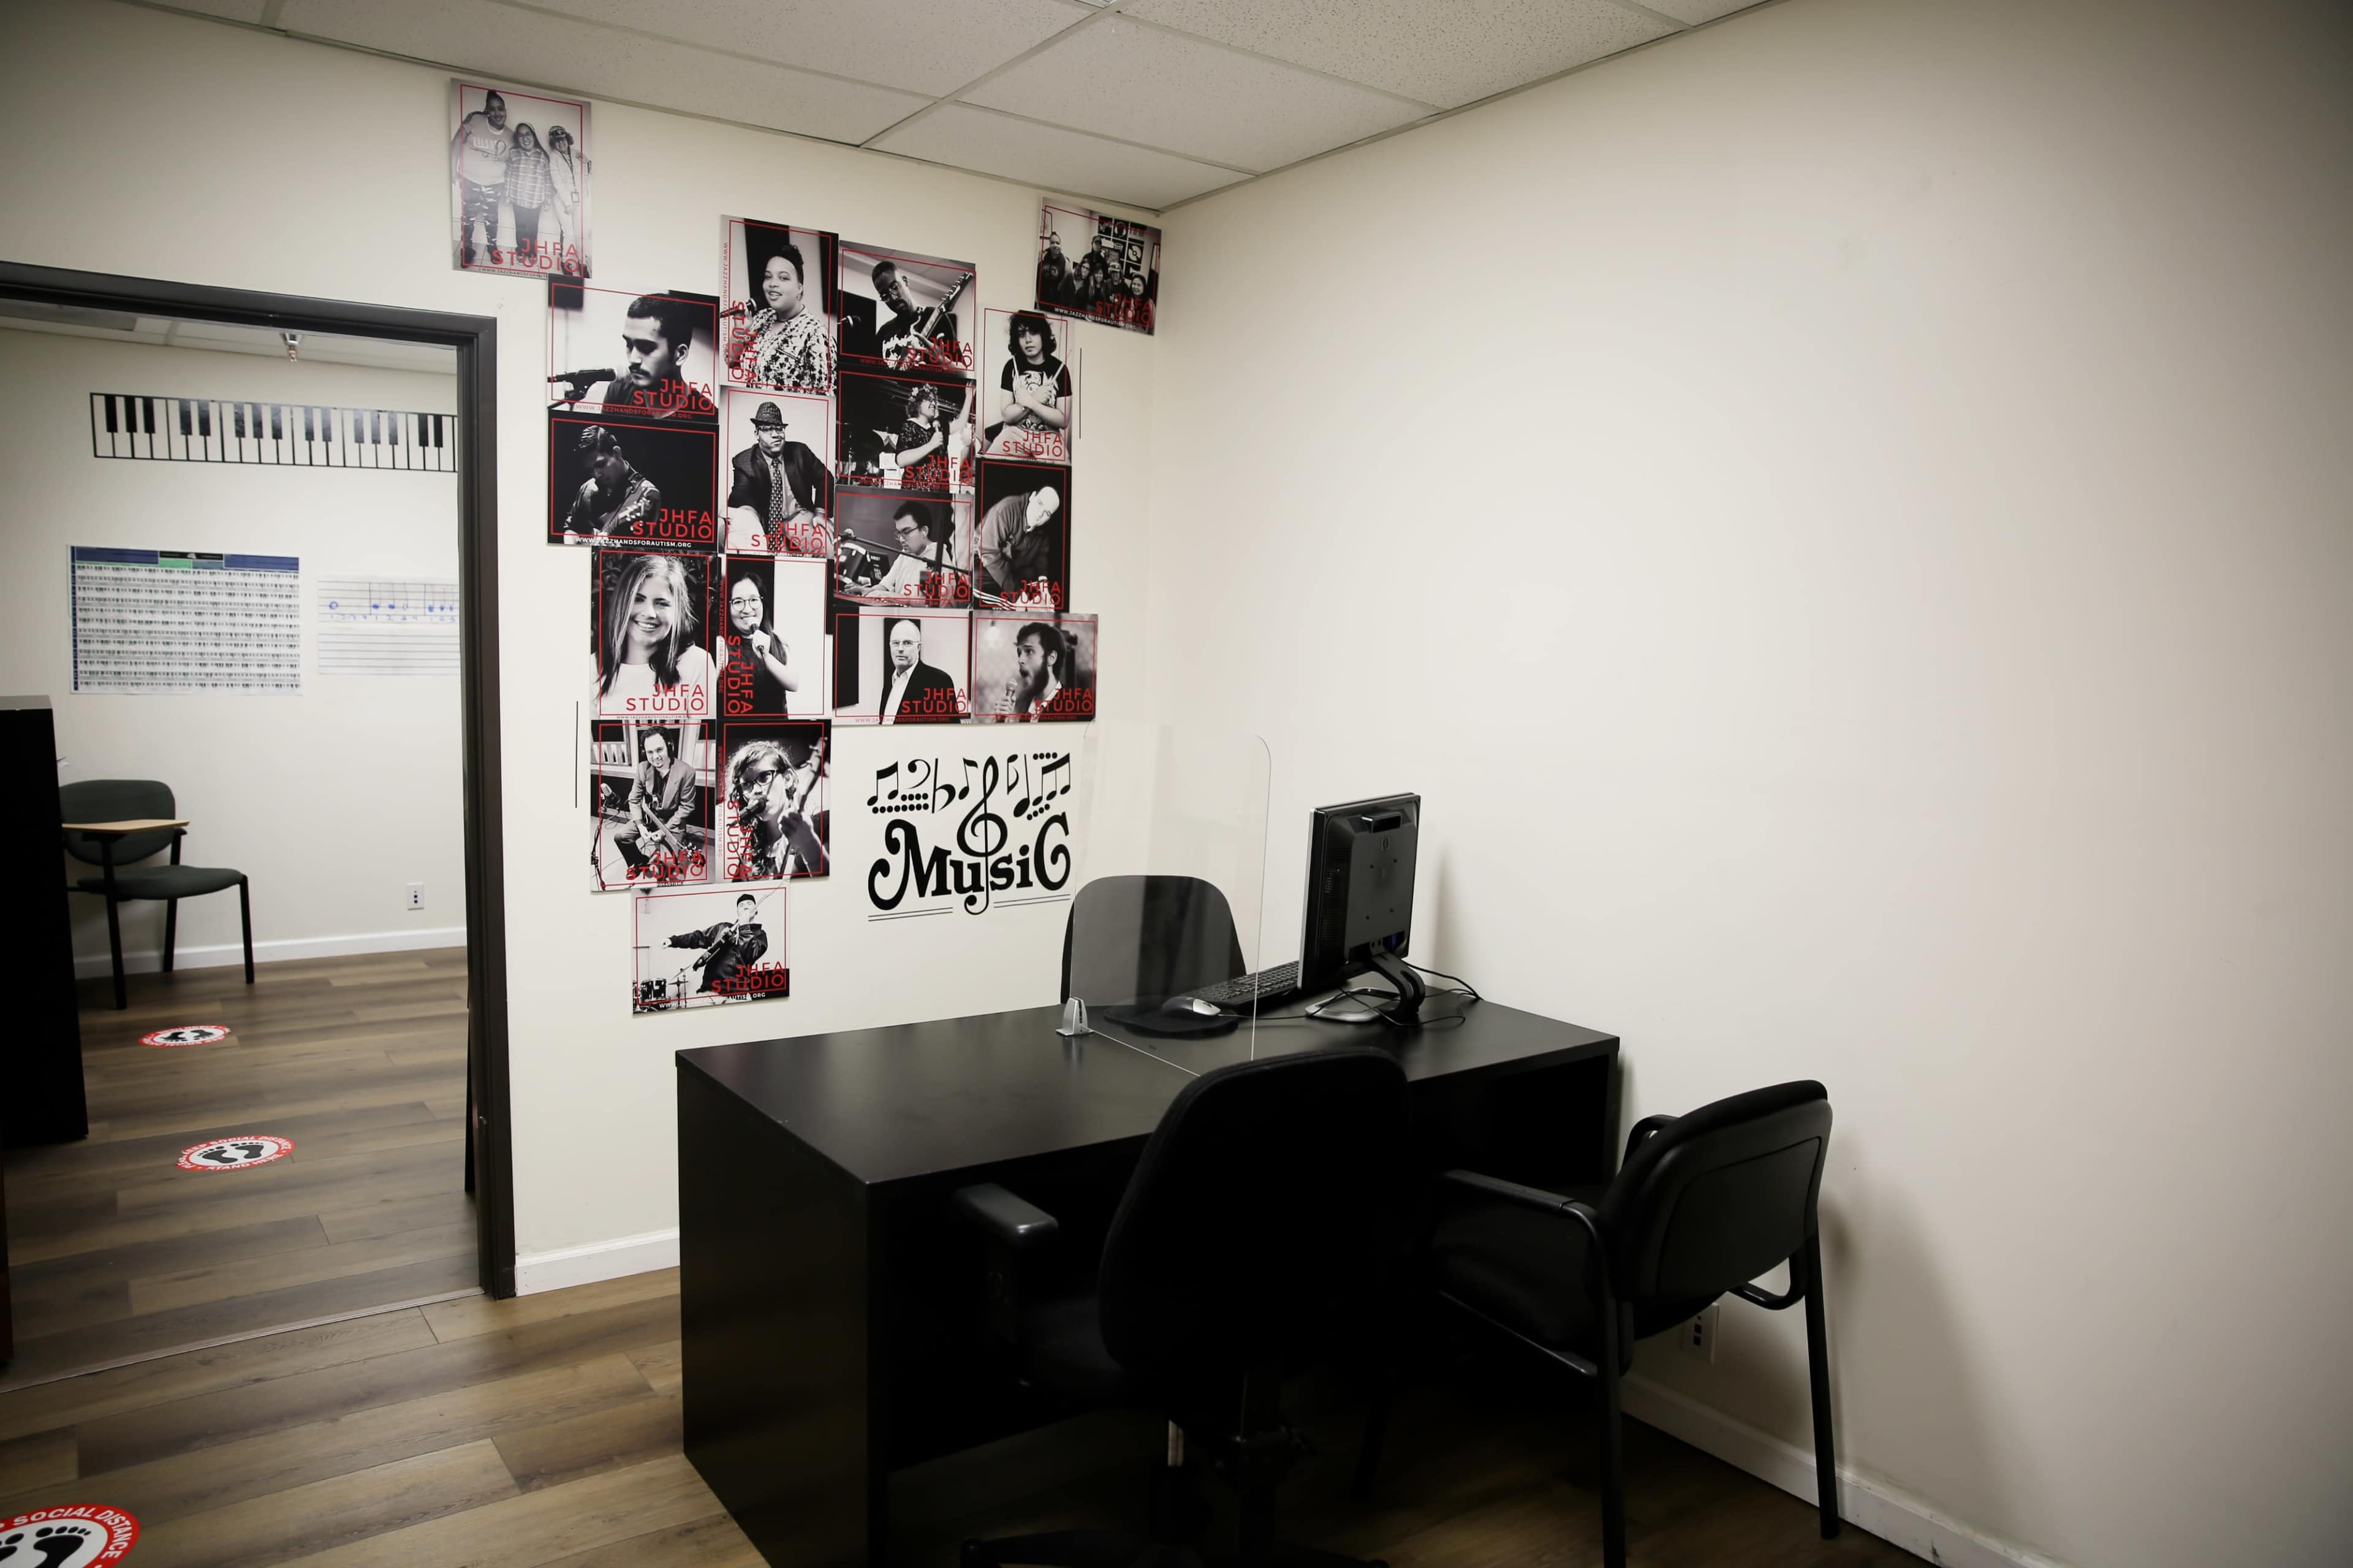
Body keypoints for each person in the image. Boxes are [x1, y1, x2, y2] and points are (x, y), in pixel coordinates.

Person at [553, 295, 706, 421]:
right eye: (629, 345)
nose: (633, 359)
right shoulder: (619, 391)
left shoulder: (707, 417)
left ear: (680, 355)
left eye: (646, 348)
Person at [596, 553, 713, 715]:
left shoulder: (696, 662)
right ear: (622, 603)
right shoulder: (593, 668)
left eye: (661, 603)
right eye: (638, 599)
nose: (650, 613)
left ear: (677, 611)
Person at [729, 238, 832, 393]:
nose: (773, 284)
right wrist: (741, 329)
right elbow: (731, 361)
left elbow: (826, 395)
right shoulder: (760, 319)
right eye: (768, 277)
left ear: (799, 289)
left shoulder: (816, 334)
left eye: (783, 278)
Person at [724, 401, 830, 552]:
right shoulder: (744, 461)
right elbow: (741, 494)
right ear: (757, 434)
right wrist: (748, 514)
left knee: (827, 547)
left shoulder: (800, 452)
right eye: (767, 429)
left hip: (798, 516)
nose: (776, 435)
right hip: (766, 522)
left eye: (779, 429)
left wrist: (820, 513)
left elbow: (825, 478)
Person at [727, 735, 827, 878]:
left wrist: (809, 843)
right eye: (747, 784)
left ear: (787, 778)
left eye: (764, 777)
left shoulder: (823, 824)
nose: (756, 790)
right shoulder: (750, 855)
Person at [613, 727, 697, 877]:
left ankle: (662, 859)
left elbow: (686, 807)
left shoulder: (687, 772)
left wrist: (664, 831)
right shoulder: (642, 768)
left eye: (659, 750)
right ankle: (638, 862)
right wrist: (640, 825)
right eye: (650, 752)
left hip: (672, 822)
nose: (655, 757)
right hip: (649, 818)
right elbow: (634, 799)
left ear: (670, 746)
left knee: (666, 865)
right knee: (621, 837)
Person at [715, 567, 800, 716]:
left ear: (763, 602)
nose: (747, 609)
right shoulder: (722, 645)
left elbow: (794, 684)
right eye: (738, 602)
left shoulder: (778, 640)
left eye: (754, 600)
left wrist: (766, 655)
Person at [561, 425, 660, 543]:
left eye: (601, 465)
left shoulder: (647, 495)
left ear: (617, 453)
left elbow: (643, 550)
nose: (596, 474)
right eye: (590, 470)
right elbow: (571, 529)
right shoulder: (587, 488)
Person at [988, 312, 1070, 455]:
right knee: (989, 464)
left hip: (1049, 437)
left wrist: (1032, 403)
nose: (1028, 340)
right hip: (1014, 433)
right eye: (1022, 335)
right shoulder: (1011, 366)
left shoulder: (1061, 369)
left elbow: (1063, 421)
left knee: (1062, 468)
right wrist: (1035, 398)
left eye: (1033, 332)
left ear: (1043, 334)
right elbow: (1007, 416)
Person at [663, 893, 770, 996]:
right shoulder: (722, 927)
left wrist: (744, 927)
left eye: (749, 904)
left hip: (737, 993)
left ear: (756, 909)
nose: (746, 907)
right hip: (709, 990)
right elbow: (699, 937)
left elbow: (750, 954)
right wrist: (673, 941)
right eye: (741, 905)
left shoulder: (760, 935)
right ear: (738, 912)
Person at [977, 478, 1063, 603]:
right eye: (1040, 503)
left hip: (1010, 563)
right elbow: (987, 551)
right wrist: (1017, 596)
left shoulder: (1044, 530)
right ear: (1032, 497)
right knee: (978, 579)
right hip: (982, 558)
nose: (1040, 514)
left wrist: (1044, 590)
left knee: (1032, 578)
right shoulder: (1007, 510)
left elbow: (1041, 558)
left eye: (1047, 513)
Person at [450, 90, 510, 267]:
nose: (497, 112)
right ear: (487, 111)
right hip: (470, 180)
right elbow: (456, 142)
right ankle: (467, 248)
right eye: (492, 109)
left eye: (500, 108)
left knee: (492, 217)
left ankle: (493, 247)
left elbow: (513, 162)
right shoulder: (475, 120)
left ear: (505, 111)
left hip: (495, 183)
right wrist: (453, 171)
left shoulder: (511, 135)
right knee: (468, 216)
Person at [855, 500, 958, 604]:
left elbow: (932, 603)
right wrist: (869, 591)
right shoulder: (905, 554)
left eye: (906, 532)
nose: (901, 539)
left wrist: (897, 598)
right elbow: (885, 585)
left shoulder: (937, 557)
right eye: (899, 533)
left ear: (924, 531)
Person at [872, 260, 957, 367]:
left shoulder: (937, 317)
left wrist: (942, 360)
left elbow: (965, 374)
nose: (893, 297)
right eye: (885, 296)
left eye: (895, 287)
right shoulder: (883, 333)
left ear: (905, 281)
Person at [875, 616, 958, 724]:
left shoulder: (939, 681)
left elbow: (951, 728)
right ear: (890, 646)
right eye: (896, 643)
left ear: (918, 647)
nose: (900, 649)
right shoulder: (889, 682)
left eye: (907, 643)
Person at [502, 123, 552, 270]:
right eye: (521, 135)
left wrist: (548, 198)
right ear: (517, 138)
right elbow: (508, 175)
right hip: (518, 199)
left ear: (534, 136)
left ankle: (532, 252)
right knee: (521, 228)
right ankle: (521, 251)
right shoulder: (514, 154)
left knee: (532, 229)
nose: (525, 138)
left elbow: (547, 179)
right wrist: (507, 194)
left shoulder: (542, 157)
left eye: (528, 134)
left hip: (536, 201)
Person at [1000, 621, 1073, 719]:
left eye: (1029, 651)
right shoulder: (1024, 709)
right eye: (1019, 653)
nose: (1020, 660)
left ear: (1051, 658)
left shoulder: (1074, 708)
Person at [545, 124, 584, 276]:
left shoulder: (577, 154)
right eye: (557, 141)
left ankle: (582, 262)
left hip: (579, 199)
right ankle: (566, 261)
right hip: (562, 200)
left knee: (580, 232)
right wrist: (568, 203)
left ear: (567, 139)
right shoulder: (554, 157)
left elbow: (585, 174)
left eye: (562, 139)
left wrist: (582, 197)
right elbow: (557, 182)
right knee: (569, 232)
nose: (561, 143)